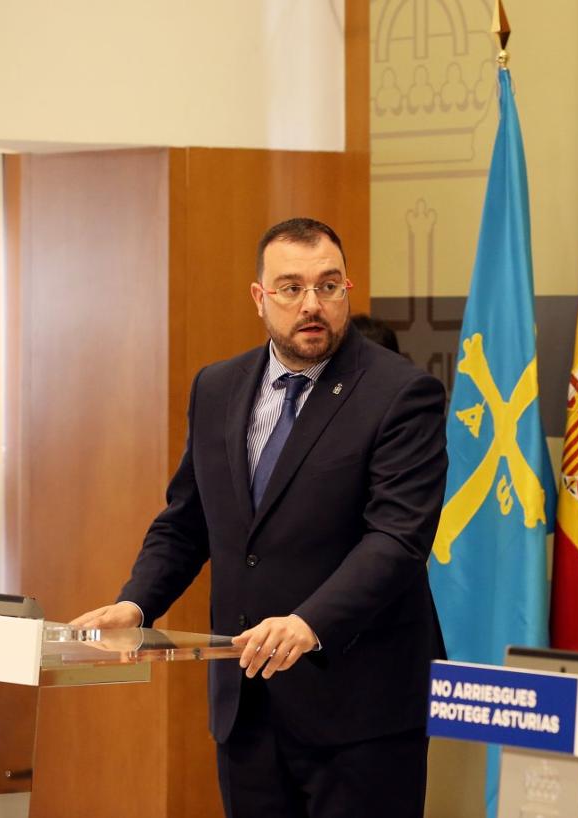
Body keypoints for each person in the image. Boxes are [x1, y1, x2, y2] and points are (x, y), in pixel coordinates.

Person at [71, 218, 448, 818]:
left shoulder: (401, 393)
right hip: (247, 706)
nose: (312, 305)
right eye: (291, 288)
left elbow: (397, 540)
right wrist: (137, 603)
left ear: (347, 288)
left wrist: (310, 621)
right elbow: (188, 520)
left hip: (361, 710)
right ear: (260, 297)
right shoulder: (218, 387)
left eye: (328, 287)